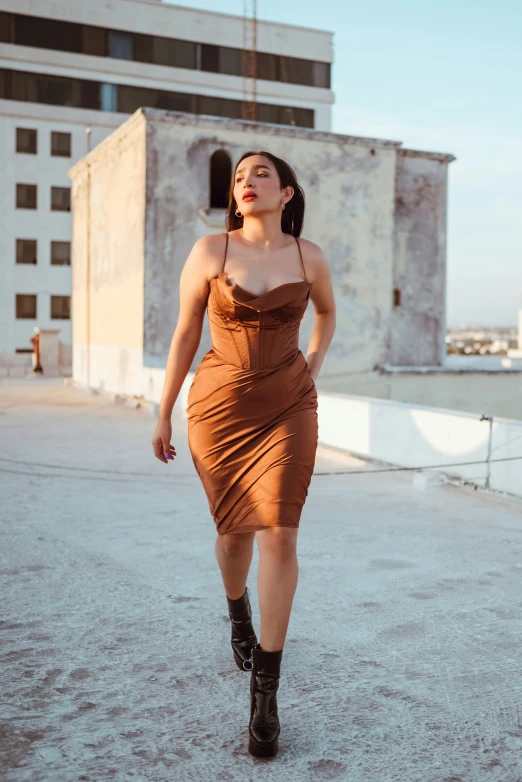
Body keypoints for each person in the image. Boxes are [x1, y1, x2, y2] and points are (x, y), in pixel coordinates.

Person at [152, 150, 336, 758]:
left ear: (287, 193)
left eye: (261, 174)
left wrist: (311, 365)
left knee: (280, 535)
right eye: (239, 177)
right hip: (220, 409)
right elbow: (184, 332)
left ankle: (266, 688)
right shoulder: (211, 251)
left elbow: (328, 314)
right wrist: (163, 410)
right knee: (235, 537)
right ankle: (238, 615)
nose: (247, 182)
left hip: (289, 406)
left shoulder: (310, 257)